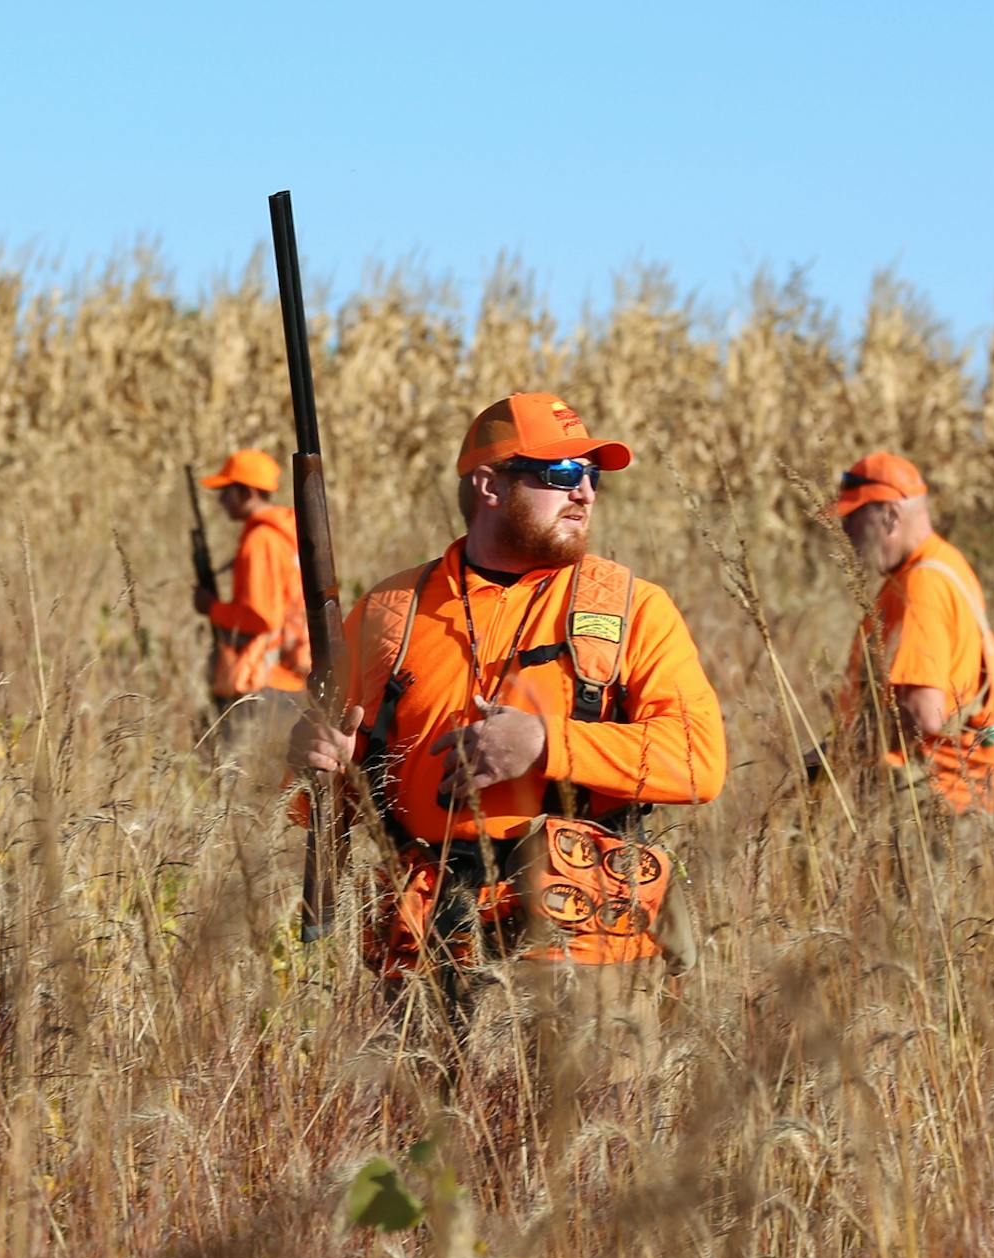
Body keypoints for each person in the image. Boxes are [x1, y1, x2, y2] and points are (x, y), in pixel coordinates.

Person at [287, 392, 727, 1078]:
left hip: (583, 946)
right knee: (422, 1163)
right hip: (427, 947)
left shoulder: (634, 607)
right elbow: (335, 800)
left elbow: (701, 763)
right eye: (559, 473)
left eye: (593, 474)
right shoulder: (390, 612)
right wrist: (325, 766)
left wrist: (548, 743)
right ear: (489, 485)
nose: (583, 490)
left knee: (583, 1168)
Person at [829, 451, 994, 814]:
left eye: (853, 520)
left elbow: (923, 714)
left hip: (940, 804)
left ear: (890, 516)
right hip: (958, 795)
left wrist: (837, 753)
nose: (846, 534)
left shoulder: (923, 585)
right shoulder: (940, 564)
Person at [192, 449, 309, 724]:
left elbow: (261, 617)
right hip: (282, 678)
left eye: (227, 490)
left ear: (247, 492)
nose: (221, 500)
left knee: (235, 764)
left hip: (266, 681)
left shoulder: (262, 540)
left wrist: (212, 608)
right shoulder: (279, 534)